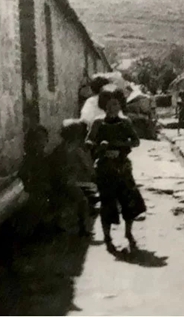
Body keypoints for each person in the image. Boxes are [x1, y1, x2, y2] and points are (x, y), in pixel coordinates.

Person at [86, 89, 145, 252]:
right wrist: (99, 146)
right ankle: (107, 236)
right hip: (104, 167)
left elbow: (136, 141)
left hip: (122, 166)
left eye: (117, 104)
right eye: (111, 104)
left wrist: (120, 145)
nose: (114, 107)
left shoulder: (125, 122)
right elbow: (88, 141)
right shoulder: (98, 123)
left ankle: (128, 233)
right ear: (104, 105)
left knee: (129, 200)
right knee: (107, 202)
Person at [47, 119, 94, 237]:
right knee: (82, 201)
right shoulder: (73, 149)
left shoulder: (61, 148)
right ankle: (82, 228)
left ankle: (61, 224)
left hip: (61, 180)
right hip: (65, 181)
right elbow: (86, 166)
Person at [16, 125, 55, 238]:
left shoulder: (47, 157)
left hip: (47, 189)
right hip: (35, 190)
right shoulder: (29, 159)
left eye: (43, 139)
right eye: (37, 140)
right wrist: (29, 186)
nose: (40, 143)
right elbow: (22, 175)